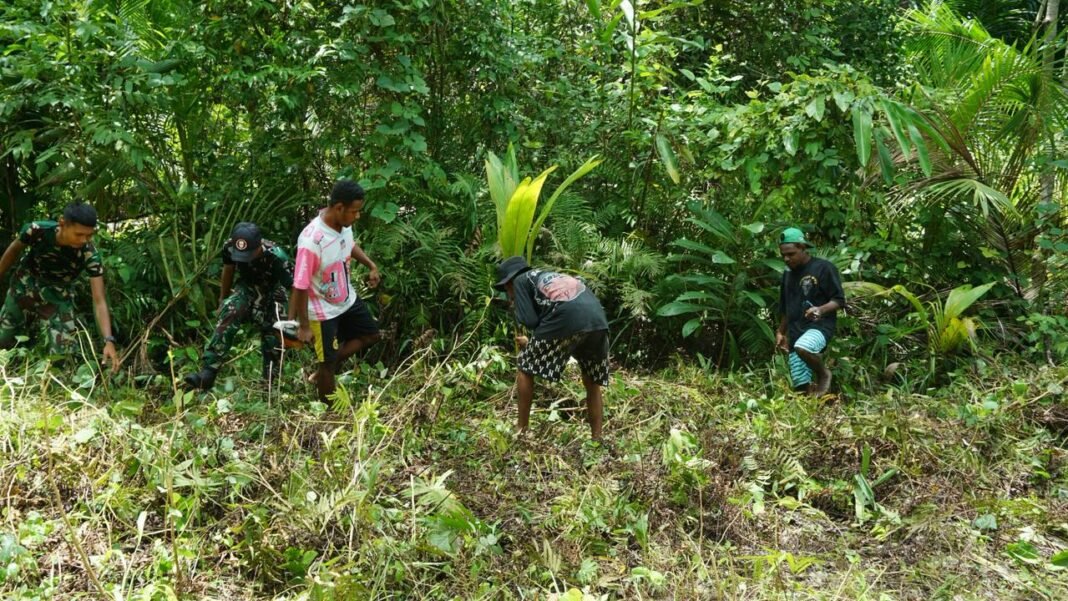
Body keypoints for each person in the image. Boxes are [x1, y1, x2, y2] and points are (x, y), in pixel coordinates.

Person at [493, 256, 610, 440]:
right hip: (597, 319)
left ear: (508, 284)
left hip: (566, 318)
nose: (509, 294)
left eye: (508, 291)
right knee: (591, 381)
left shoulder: (520, 281)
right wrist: (532, 343)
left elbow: (531, 320)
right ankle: (597, 438)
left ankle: (521, 430)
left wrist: (517, 307)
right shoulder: (548, 276)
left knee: (525, 367)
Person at [0, 202, 119, 370]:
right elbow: (13, 251)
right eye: (79, 234)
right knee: (4, 340)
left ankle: (52, 387)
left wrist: (108, 340)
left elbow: (99, 300)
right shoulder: (36, 230)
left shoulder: (89, 255)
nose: (84, 240)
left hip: (57, 296)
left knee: (63, 357)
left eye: (89, 235)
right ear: (62, 223)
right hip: (25, 286)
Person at [292, 179, 382, 400]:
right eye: (354, 211)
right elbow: (300, 285)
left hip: (346, 299)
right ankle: (328, 411)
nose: (357, 216)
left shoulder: (344, 225)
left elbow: (349, 245)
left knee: (371, 335)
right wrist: (303, 326)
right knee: (328, 367)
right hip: (321, 311)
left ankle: (323, 367)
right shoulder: (312, 240)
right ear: (339, 207)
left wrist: (371, 265)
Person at [184, 222, 294, 390]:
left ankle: (270, 384)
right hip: (246, 288)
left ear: (259, 246)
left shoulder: (277, 256)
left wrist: (292, 319)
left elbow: (296, 289)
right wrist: (223, 299)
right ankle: (208, 372)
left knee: (273, 334)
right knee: (231, 310)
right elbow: (228, 270)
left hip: (273, 292)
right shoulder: (229, 247)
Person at [775, 227, 845, 395]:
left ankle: (824, 374)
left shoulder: (823, 268)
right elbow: (787, 307)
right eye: (783, 254)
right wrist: (780, 332)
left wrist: (820, 310)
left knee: (803, 347)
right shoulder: (787, 274)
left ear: (803, 248)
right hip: (795, 329)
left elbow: (839, 300)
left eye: (791, 254)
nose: (786, 258)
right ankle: (816, 409)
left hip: (819, 326)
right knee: (800, 387)